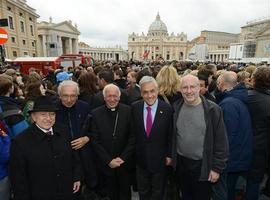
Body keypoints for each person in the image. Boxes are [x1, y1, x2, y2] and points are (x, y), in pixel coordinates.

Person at [9, 96, 81, 200]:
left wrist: (77, 177)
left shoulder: (63, 131)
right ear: (33, 117)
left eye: (52, 114)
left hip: (67, 192)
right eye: (43, 114)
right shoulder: (20, 142)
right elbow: (18, 179)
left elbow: (74, 157)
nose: (48, 118)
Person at [172, 74, 229, 200]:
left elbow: (221, 142)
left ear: (199, 88)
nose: (189, 91)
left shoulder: (213, 110)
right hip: (182, 165)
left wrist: (216, 168)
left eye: (192, 87)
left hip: (203, 166)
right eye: (185, 87)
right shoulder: (176, 107)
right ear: (180, 89)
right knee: (185, 196)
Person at [132, 76, 173, 200]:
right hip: (141, 160)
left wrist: (169, 155)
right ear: (141, 93)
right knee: (143, 193)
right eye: (145, 92)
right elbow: (133, 133)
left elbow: (170, 135)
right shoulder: (135, 107)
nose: (149, 95)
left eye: (152, 91)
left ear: (157, 90)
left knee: (158, 193)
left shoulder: (167, 109)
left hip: (160, 161)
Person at [91, 84, 135, 200]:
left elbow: (133, 138)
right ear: (104, 97)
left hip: (124, 163)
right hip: (106, 164)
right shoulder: (96, 114)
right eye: (109, 96)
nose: (112, 99)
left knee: (125, 193)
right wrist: (108, 160)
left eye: (115, 96)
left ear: (119, 97)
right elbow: (95, 141)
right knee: (111, 194)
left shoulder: (128, 111)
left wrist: (123, 158)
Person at [216, 71, 252, 200]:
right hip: (238, 155)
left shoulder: (228, 104)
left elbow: (226, 136)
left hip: (232, 158)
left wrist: (219, 158)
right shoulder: (236, 99)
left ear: (221, 84)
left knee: (226, 192)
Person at [56, 80, 97, 189]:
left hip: (84, 155)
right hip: (63, 158)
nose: (69, 100)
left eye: (73, 96)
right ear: (59, 96)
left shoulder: (84, 107)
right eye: (65, 96)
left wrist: (87, 138)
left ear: (78, 96)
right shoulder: (52, 110)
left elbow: (94, 128)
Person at [246, 66, 270, 200]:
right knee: (254, 182)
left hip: (242, 145)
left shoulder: (245, 97)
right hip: (261, 148)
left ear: (253, 79)